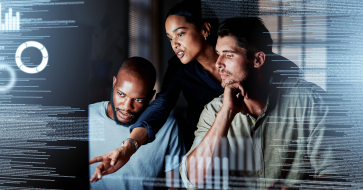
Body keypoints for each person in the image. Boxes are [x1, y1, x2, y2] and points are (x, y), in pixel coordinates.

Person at [179, 17, 339, 189]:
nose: (218, 63)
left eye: (229, 55)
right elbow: (193, 181)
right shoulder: (215, 110)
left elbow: (339, 175)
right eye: (218, 54)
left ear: (258, 60)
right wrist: (226, 113)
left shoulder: (310, 102)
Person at [90, 0, 227, 180]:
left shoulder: (239, 56)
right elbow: (162, 105)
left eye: (180, 34)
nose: (174, 44)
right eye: (170, 38)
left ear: (205, 29)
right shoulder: (179, 68)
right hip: (207, 144)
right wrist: (129, 147)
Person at [88, 57, 186, 190]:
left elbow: (174, 186)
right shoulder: (87, 116)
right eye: (121, 94)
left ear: (151, 96)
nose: (127, 107)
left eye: (138, 99)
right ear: (114, 82)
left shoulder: (168, 126)